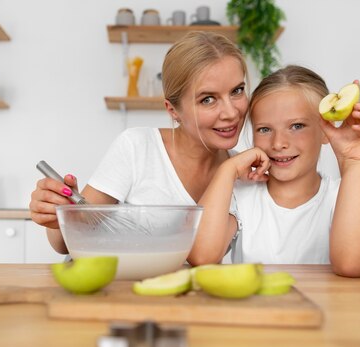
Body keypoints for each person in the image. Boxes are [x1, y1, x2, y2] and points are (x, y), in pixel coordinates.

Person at [30, 31, 252, 254]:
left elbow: (207, 255)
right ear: (173, 110)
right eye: (208, 99)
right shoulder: (138, 147)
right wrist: (58, 214)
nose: (231, 112)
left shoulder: (245, 170)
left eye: (237, 91)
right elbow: (65, 243)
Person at [188, 65, 360, 277]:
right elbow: (201, 256)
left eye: (296, 126)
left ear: (326, 131)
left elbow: (352, 265)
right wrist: (227, 169)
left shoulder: (350, 194)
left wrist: (354, 161)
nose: (278, 143)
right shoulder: (240, 197)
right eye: (265, 129)